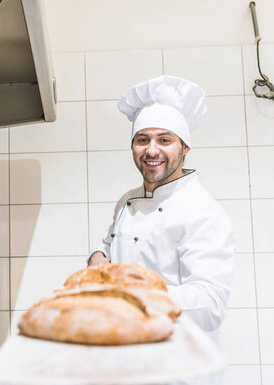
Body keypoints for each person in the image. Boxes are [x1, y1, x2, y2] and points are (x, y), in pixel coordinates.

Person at [88, 75, 234, 336]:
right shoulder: (127, 200)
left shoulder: (203, 211)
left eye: (164, 140)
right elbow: (109, 246)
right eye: (142, 139)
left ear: (185, 147)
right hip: (126, 348)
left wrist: (132, 293)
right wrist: (96, 257)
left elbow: (209, 305)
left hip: (177, 360)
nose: (151, 150)